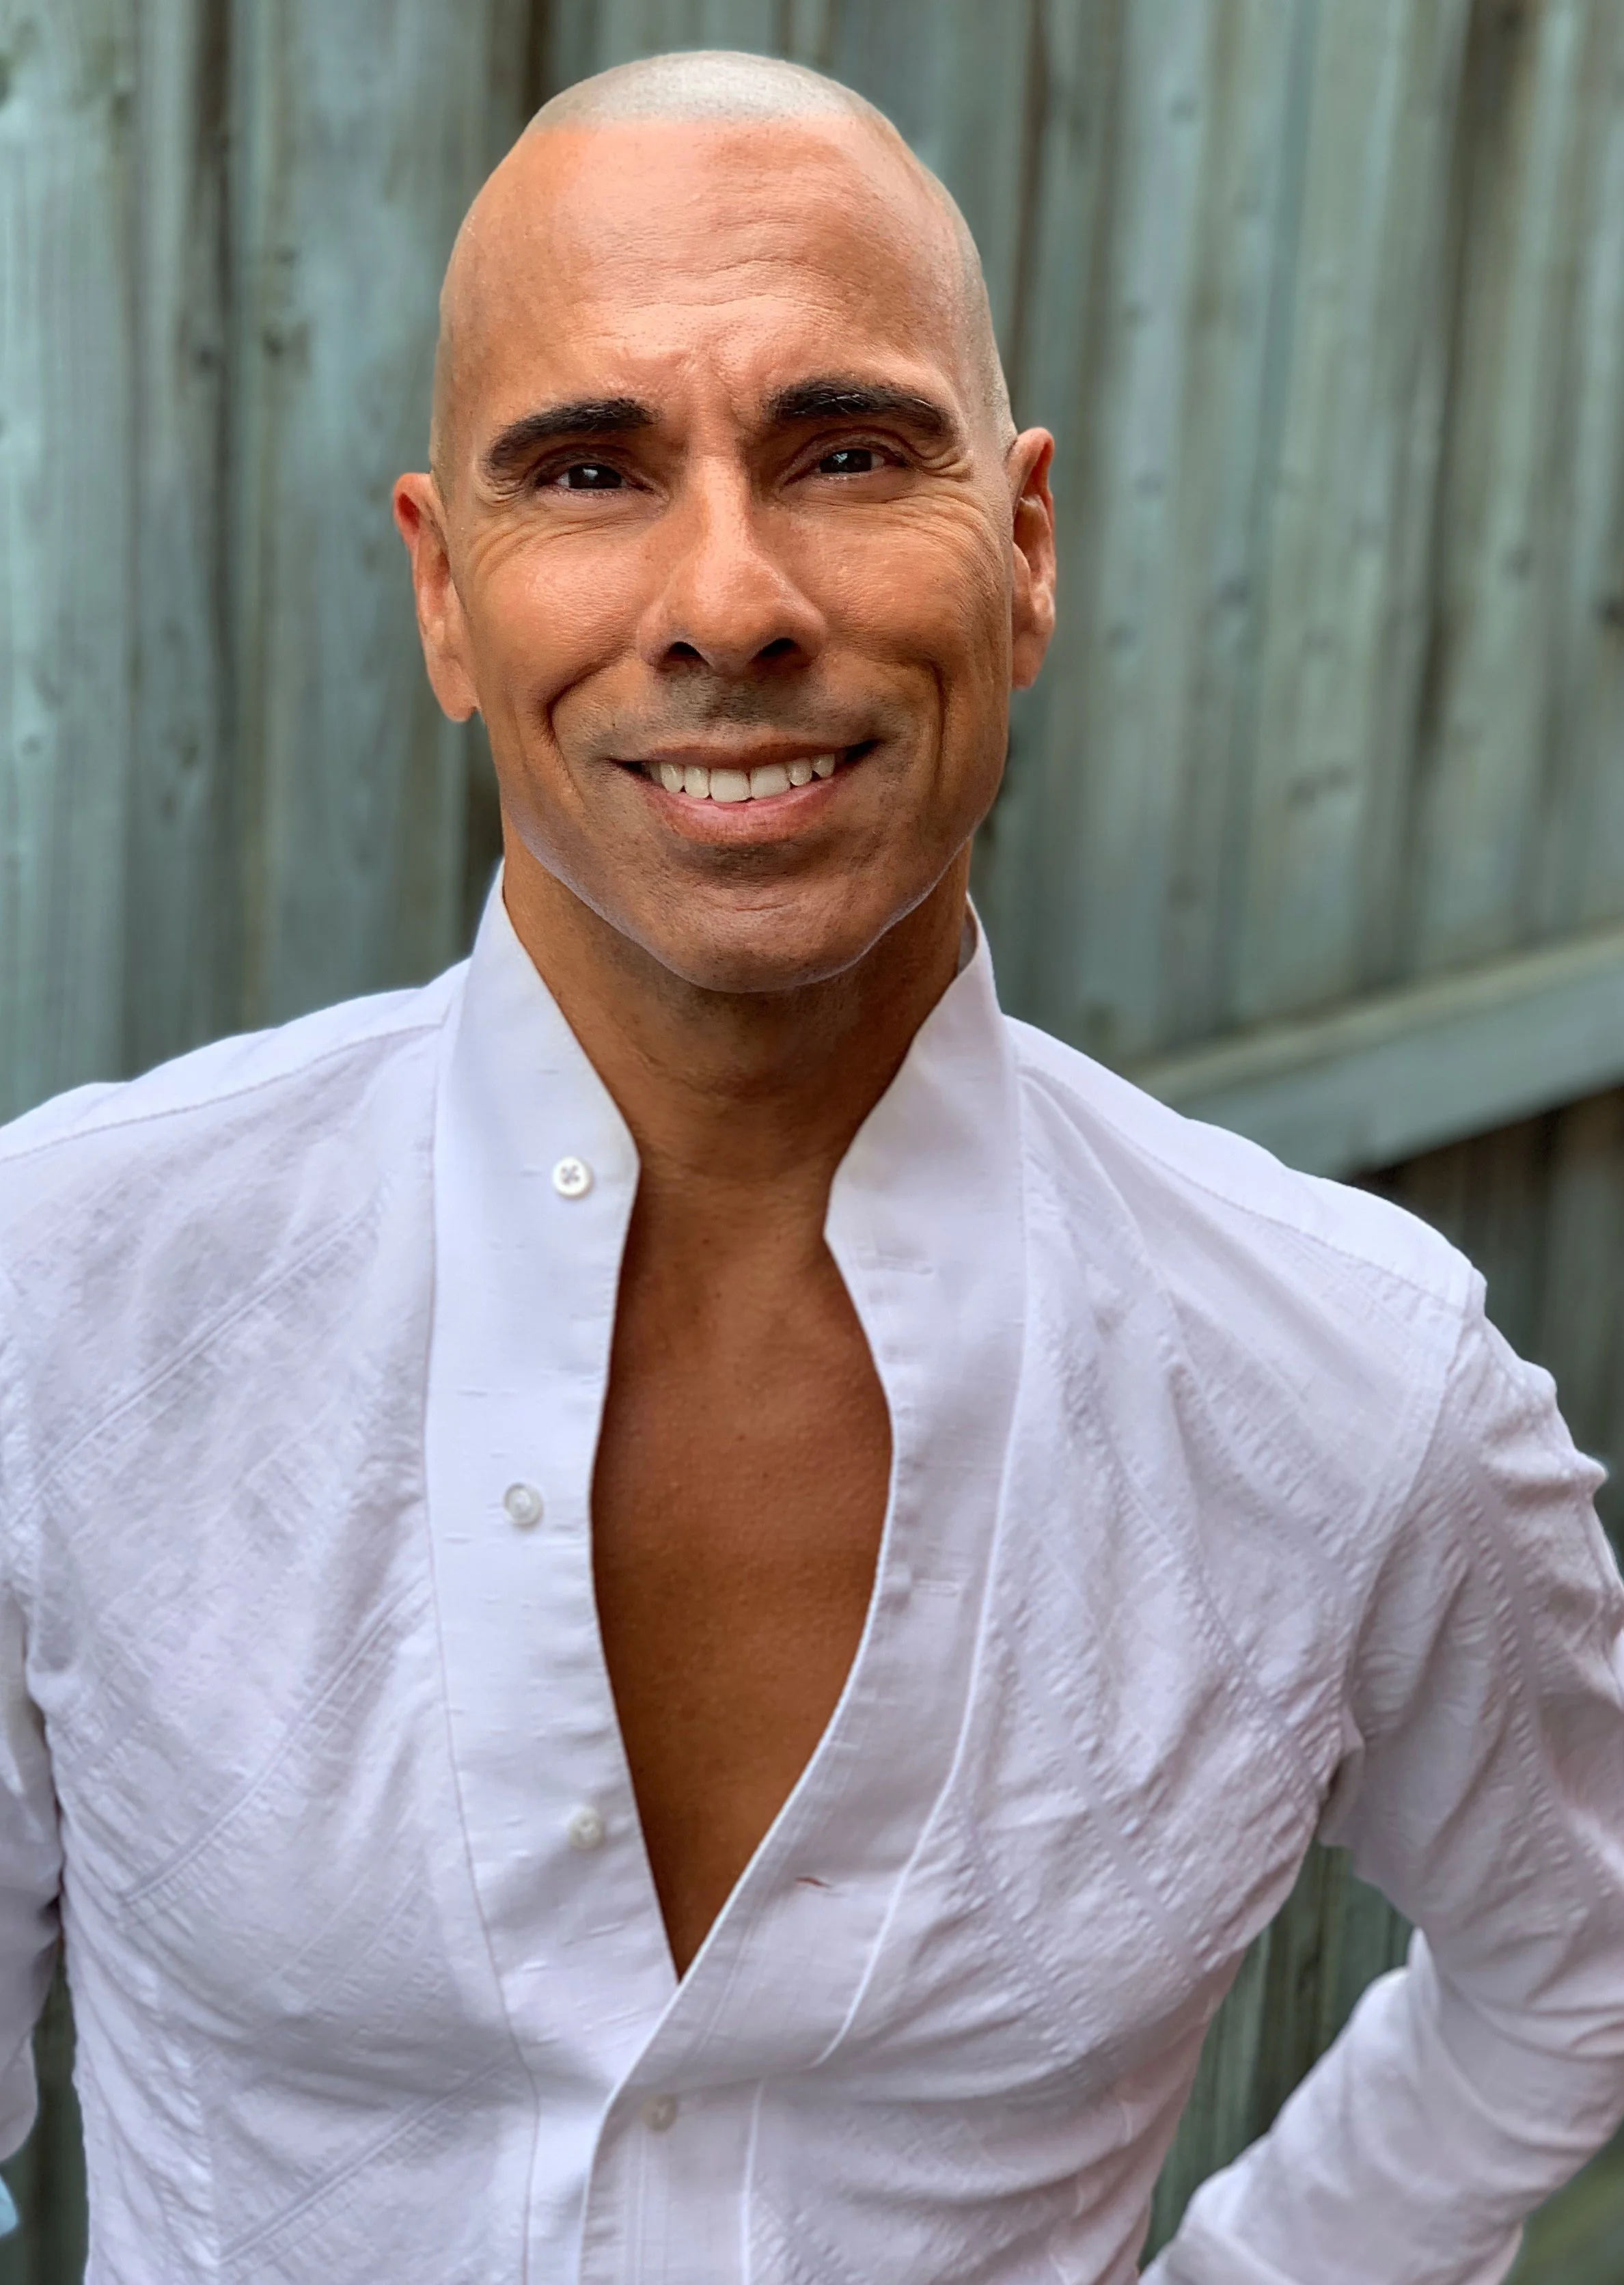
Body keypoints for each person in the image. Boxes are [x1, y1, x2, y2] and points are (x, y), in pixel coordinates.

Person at [1, 46, 1621, 2285]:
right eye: (590, 470)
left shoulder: (1356, 1393)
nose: (730, 600)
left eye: (848, 452)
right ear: (445, 595)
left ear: (1024, 552)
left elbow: (1578, 1968)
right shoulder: (63, 1299)